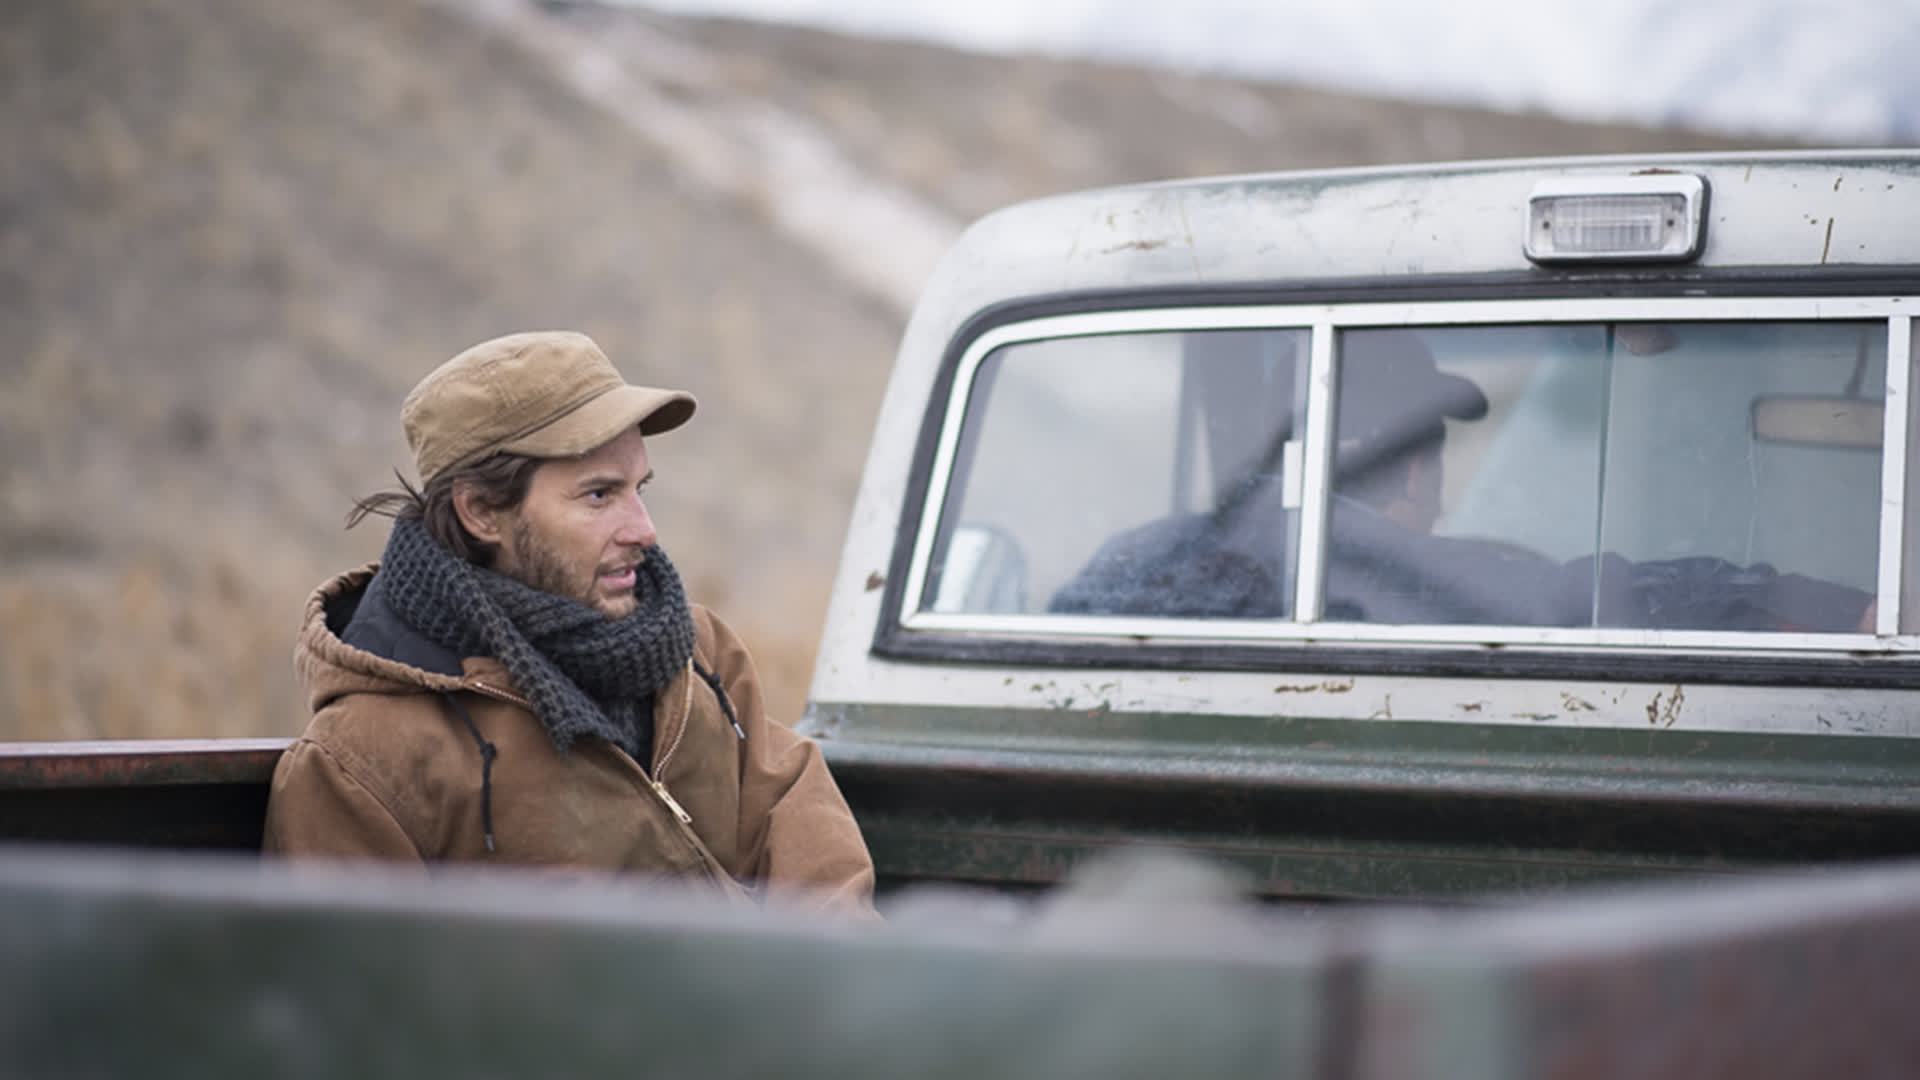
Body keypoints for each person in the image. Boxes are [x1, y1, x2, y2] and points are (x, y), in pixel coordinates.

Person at [262, 330, 877, 914]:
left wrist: (833, 978)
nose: (644, 530)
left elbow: (798, 823)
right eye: (599, 495)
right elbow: (356, 984)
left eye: (639, 488)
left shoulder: (696, 653)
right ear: (481, 512)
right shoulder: (360, 763)